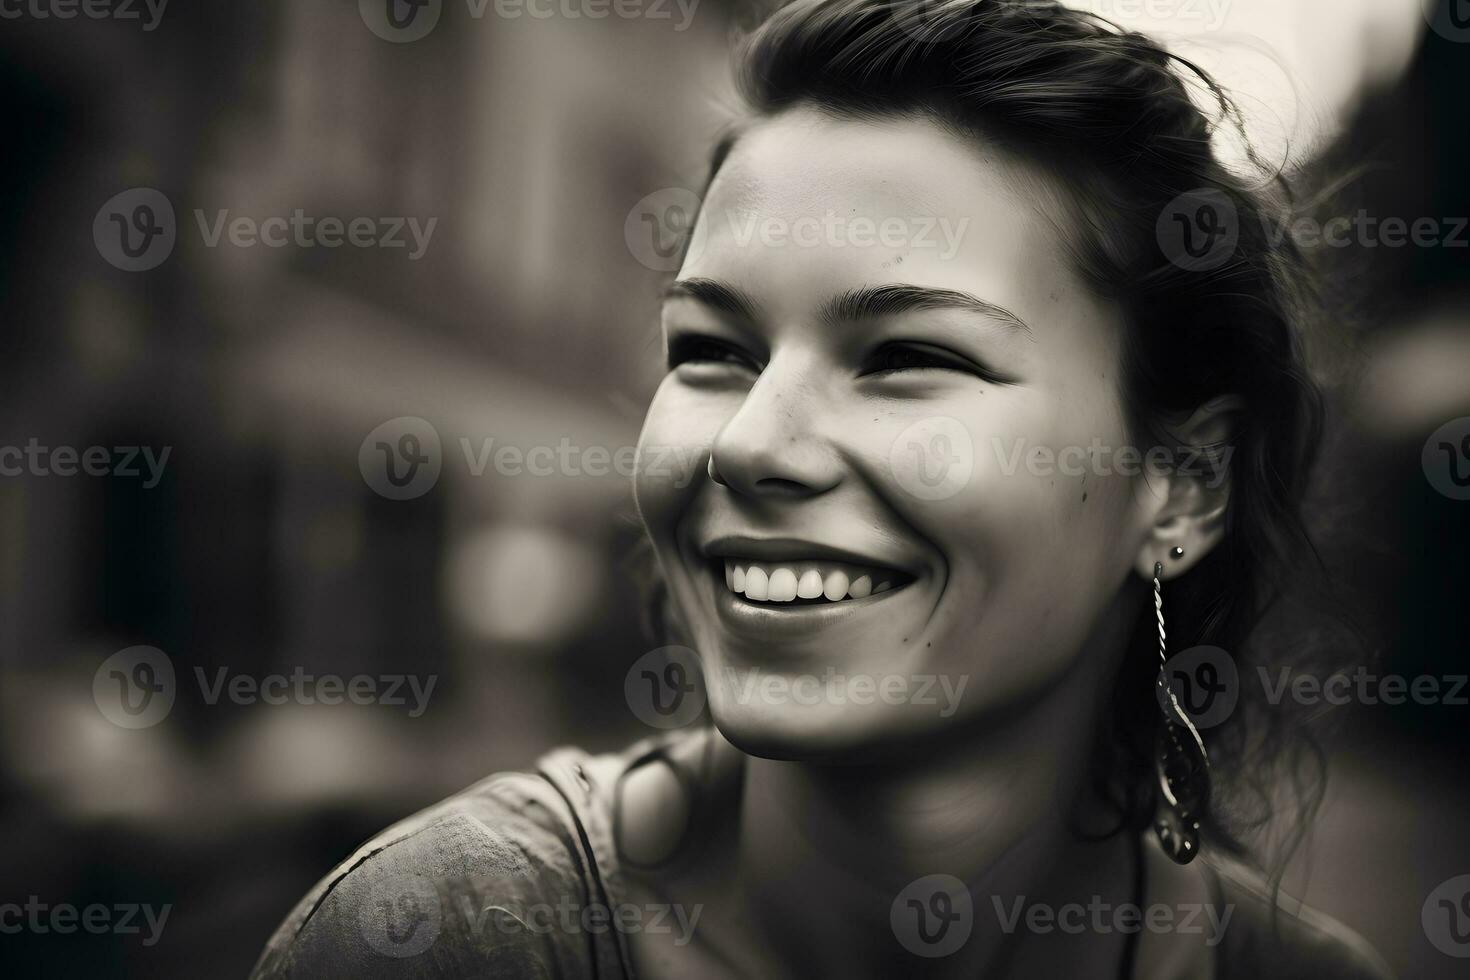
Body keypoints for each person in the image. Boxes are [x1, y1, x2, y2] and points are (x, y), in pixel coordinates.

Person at [250, 1, 1394, 976]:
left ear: (1182, 484)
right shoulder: (443, 939)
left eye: (908, 357)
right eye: (711, 348)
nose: (751, 445)